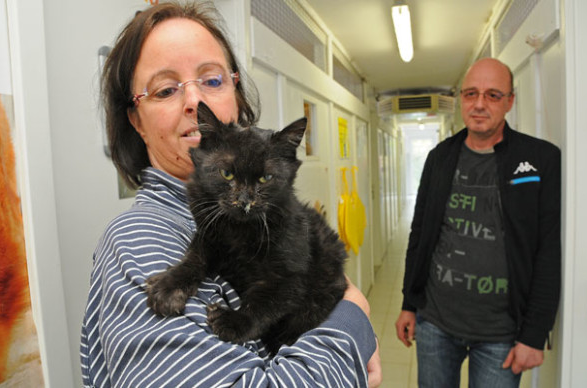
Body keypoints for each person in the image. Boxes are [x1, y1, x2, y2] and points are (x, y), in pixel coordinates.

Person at [80, 2, 381, 387]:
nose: (193, 101)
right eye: (166, 89)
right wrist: (353, 316)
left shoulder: (241, 215)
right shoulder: (138, 241)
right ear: (136, 120)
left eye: (213, 80)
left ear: (236, 95)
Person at [395, 57, 561, 387]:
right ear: (461, 100)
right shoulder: (440, 157)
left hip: (501, 333)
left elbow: (547, 251)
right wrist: (409, 304)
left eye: (493, 95)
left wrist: (534, 334)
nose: (480, 104)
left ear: (510, 100)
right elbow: (420, 235)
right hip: (435, 324)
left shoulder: (540, 159)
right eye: (471, 94)